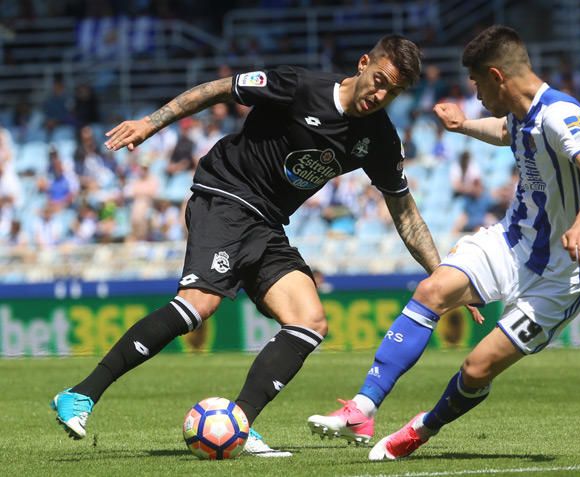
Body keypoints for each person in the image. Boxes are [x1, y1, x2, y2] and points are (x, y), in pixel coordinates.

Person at [50, 35, 478, 457]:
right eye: (380, 80)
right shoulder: (301, 87)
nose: (381, 94)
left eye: (394, 91)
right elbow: (219, 89)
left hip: (267, 222)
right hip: (226, 193)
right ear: (364, 63)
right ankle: (80, 394)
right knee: (198, 304)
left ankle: (238, 422)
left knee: (309, 321)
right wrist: (150, 123)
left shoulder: (379, 138)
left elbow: (405, 211)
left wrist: (443, 276)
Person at [307, 25, 580, 460]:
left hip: (561, 275)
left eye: (476, 83)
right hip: (512, 242)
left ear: (497, 76)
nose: (474, 92)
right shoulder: (522, 113)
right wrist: (463, 125)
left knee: (475, 369)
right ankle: (363, 407)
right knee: (432, 289)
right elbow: (506, 130)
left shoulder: (561, 115)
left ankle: (422, 428)